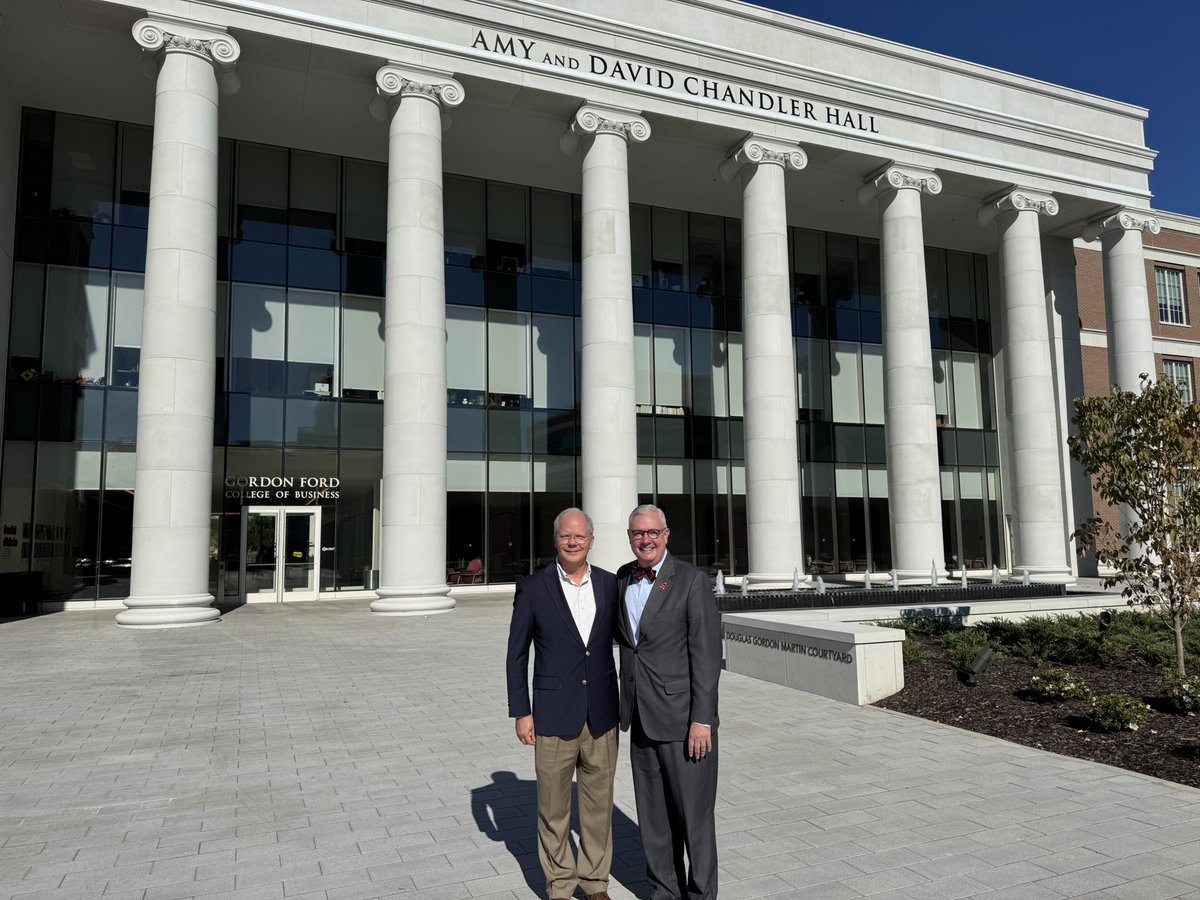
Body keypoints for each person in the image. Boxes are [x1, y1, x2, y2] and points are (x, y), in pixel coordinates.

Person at [505, 508, 620, 900]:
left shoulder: (609, 584)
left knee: (598, 805)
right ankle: (559, 882)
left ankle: (595, 881)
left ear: (591, 540)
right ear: (555, 540)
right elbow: (516, 655)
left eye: (580, 536)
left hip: (602, 714)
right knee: (553, 809)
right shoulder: (533, 588)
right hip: (552, 716)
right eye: (566, 536)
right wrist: (522, 711)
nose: (573, 542)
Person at [616, 504, 722, 900]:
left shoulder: (692, 581)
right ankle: (664, 892)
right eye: (637, 533)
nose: (645, 539)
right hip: (640, 719)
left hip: (684, 724)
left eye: (651, 532)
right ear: (630, 538)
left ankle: (701, 895)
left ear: (666, 534)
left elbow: (707, 658)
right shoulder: (623, 579)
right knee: (654, 821)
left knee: (694, 820)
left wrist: (703, 720)